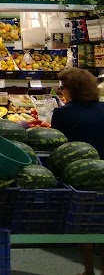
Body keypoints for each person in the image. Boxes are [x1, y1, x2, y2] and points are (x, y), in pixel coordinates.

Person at [52, 67, 104, 275]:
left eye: (62, 88)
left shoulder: (63, 113)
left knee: (86, 221)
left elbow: (58, 143)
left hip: (80, 172)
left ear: (70, 90)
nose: (61, 92)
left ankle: (89, 269)